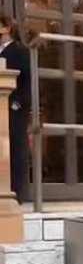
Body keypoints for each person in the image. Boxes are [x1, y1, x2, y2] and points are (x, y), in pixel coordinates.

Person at [0, 16, 31, 204]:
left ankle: (17, 193)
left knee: (15, 149)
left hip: (13, 109)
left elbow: (26, 81)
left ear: (7, 28)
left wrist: (18, 103)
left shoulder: (20, 50)